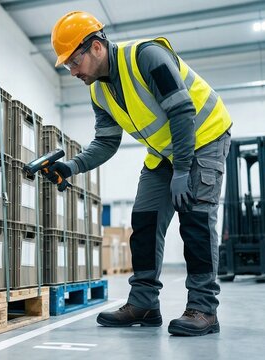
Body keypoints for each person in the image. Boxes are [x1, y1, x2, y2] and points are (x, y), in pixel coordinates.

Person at [44, 11, 232, 336]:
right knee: (144, 222)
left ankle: (204, 309)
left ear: (97, 47)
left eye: (74, 62)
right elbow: (105, 142)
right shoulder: (98, 91)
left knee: (196, 220)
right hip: (164, 153)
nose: (72, 71)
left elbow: (182, 110)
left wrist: (184, 169)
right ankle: (144, 304)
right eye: (68, 66)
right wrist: (71, 167)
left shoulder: (146, 56)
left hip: (204, 136)